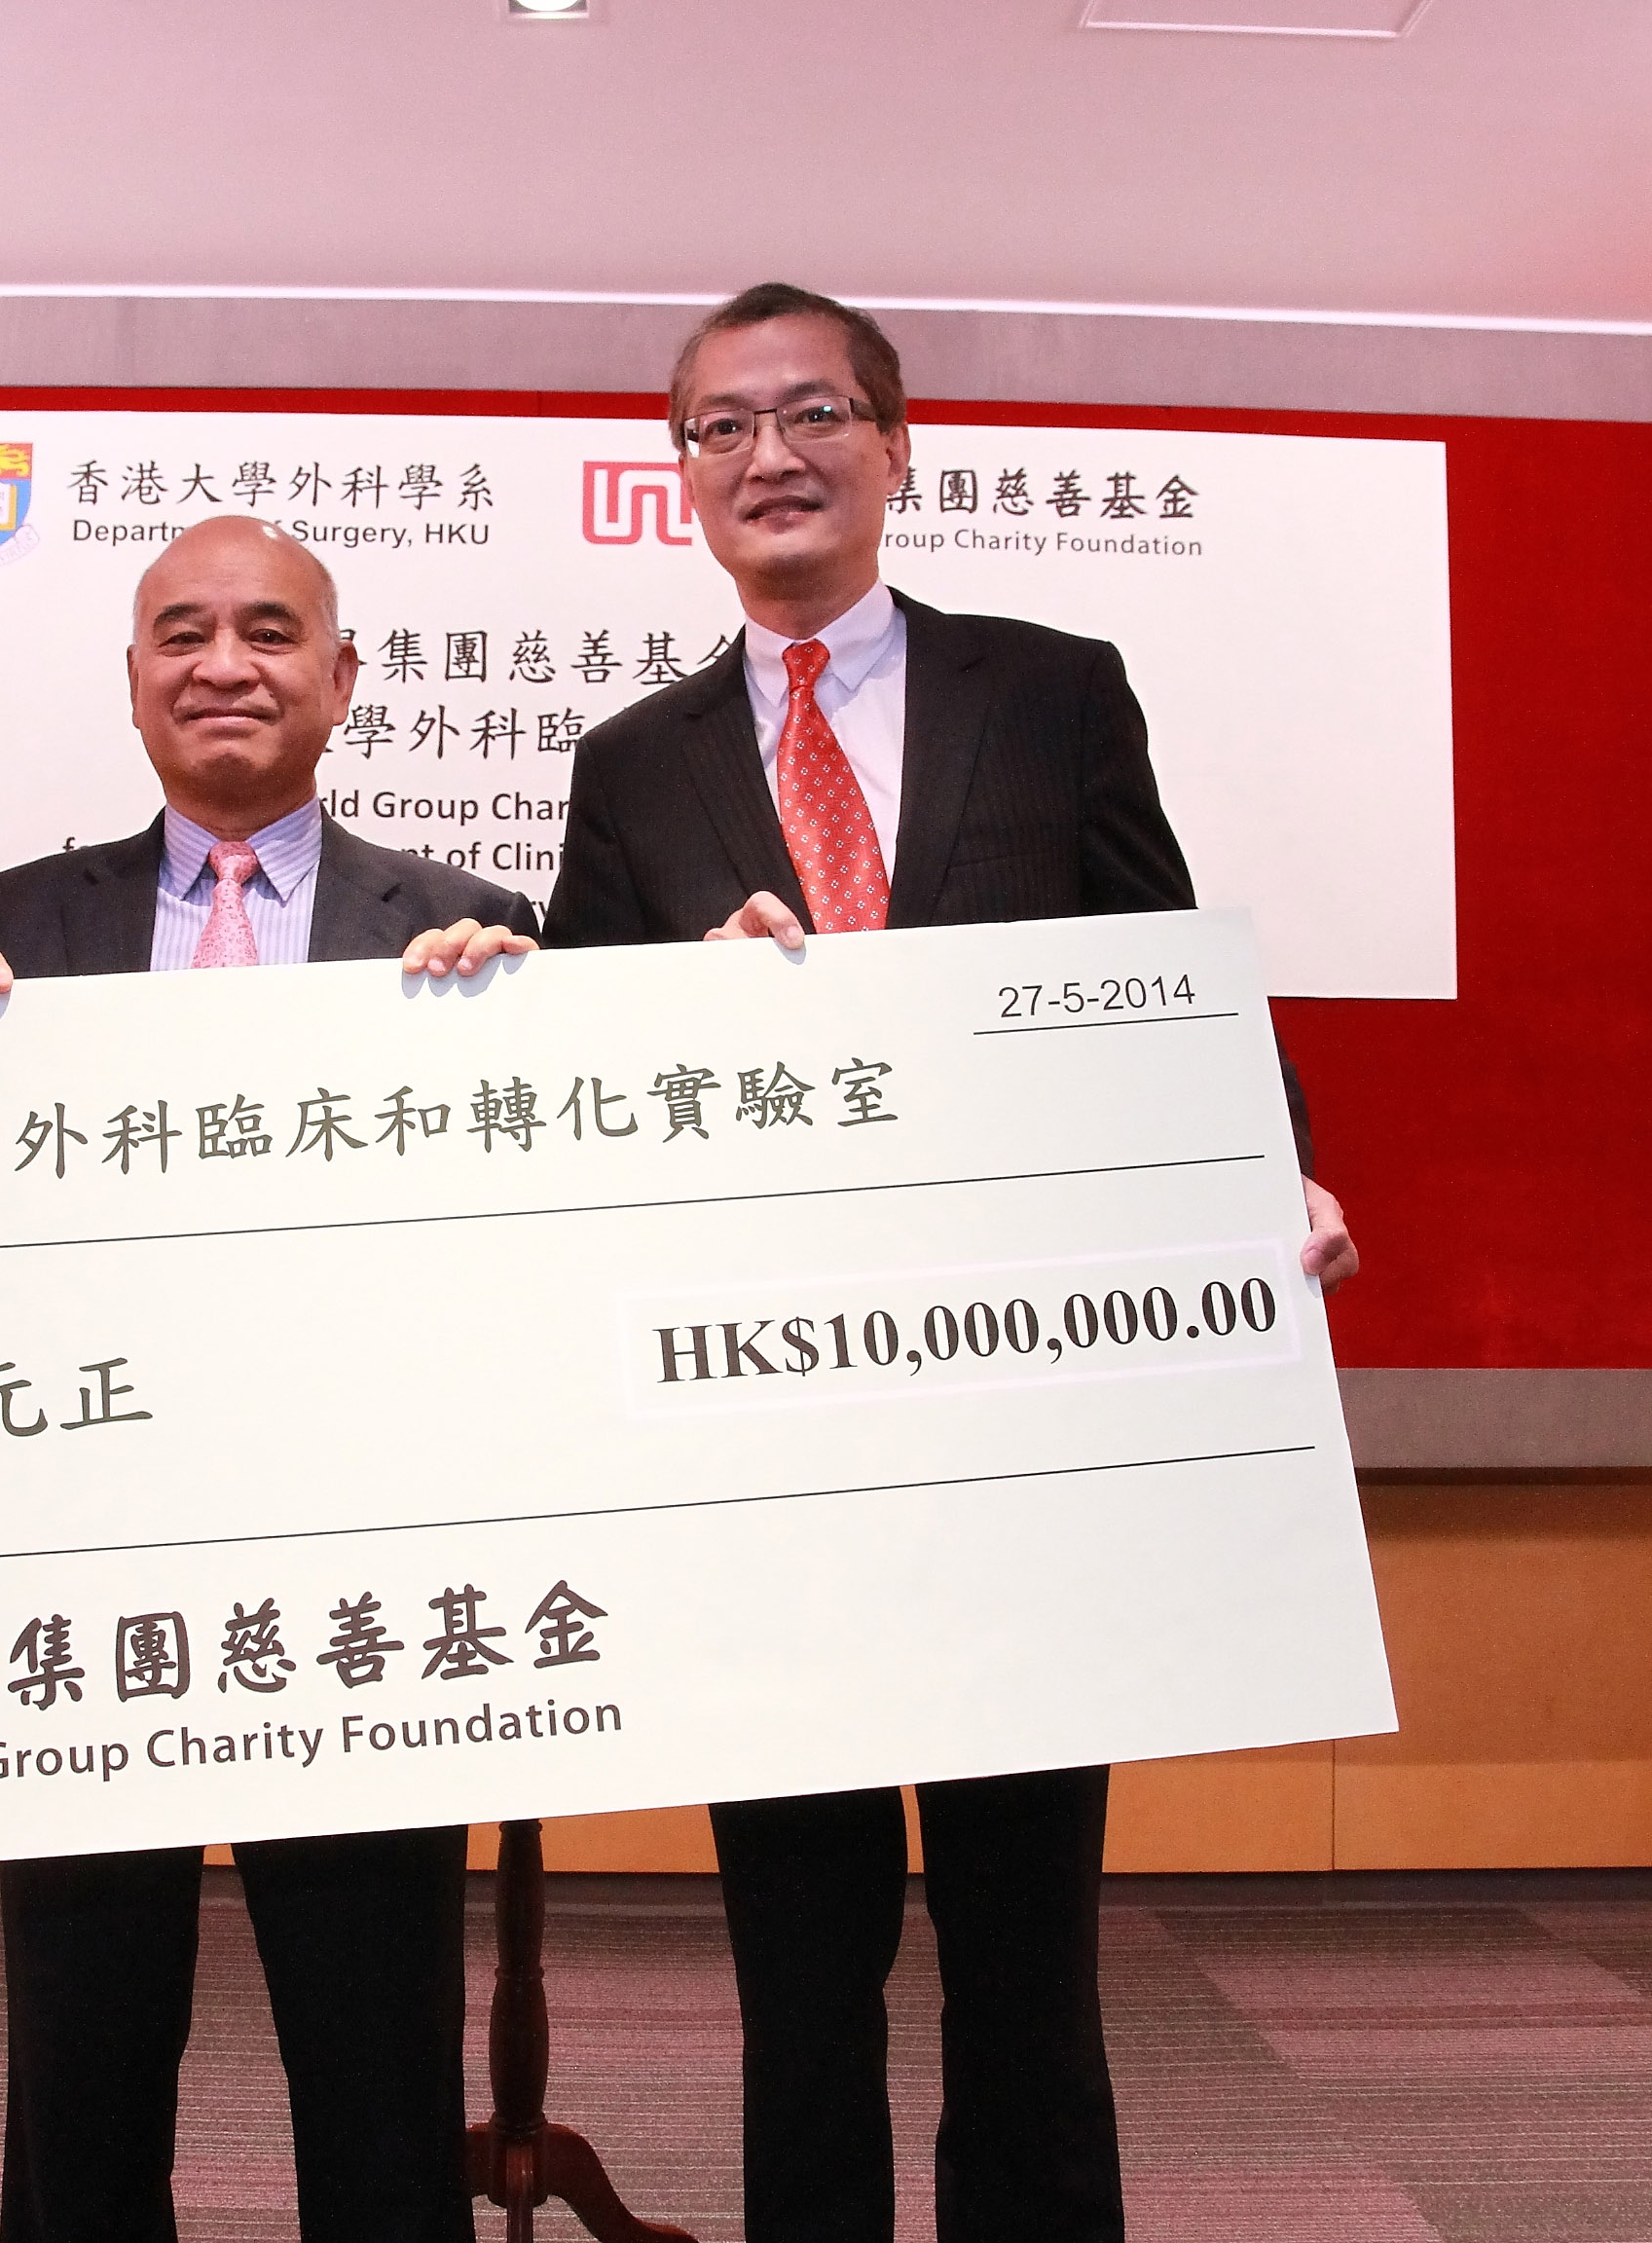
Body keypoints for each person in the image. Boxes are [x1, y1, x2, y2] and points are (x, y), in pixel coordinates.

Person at [541, 283, 1360, 2243]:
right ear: (680, 478)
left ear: (897, 447)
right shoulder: (632, 763)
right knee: (799, 1975)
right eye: (723, 426)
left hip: (1020, 1432)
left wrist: (1271, 1175)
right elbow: (571, 1080)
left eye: (813, 412)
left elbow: (1166, 976)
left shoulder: (1053, 688)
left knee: (1026, 1963)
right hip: (773, 1453)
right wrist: (673, 1011)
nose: (770, 455)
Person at [0, 514, 533, 2243]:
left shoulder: (476, 927)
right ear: (132, 682)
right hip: (86, 1562)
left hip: (361, 1570)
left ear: (341, 681)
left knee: (378, 2066)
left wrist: (522, 1032)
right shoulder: (10, 924)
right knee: (82, 2062)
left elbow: (523, 1258)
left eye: (270, 632)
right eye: (181, 633)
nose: (224, 665)